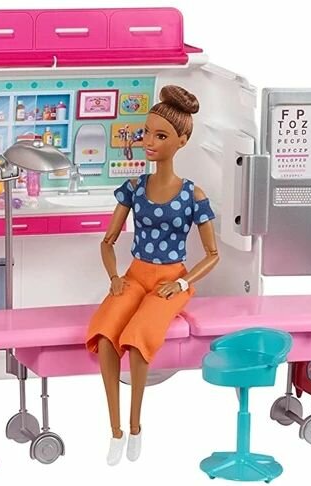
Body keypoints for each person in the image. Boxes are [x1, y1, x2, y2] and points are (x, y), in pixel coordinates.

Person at [84, 85, 220, 465]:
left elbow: (213, 254)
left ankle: (136, 424)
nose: (149, 141)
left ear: (182, 141)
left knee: (137, 336)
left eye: (161, 136)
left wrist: (182, 282)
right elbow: (108, 241)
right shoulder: (134, 188)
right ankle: (114, 429)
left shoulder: (192, 195)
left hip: (171, 280)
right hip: (134, 273)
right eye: (146, 132)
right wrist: (114, 277)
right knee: (106, 333)